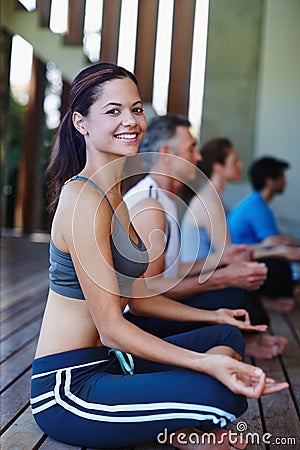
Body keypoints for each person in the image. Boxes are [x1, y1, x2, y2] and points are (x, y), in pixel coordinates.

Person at [30, 62, 288, 450]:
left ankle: (177, 423)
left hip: (112, 363)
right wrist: (205, 363)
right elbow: (111, 328)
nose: (130, 121)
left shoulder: (114, 192)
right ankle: (182, 428)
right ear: (81, 123)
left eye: (136, 109)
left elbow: (137, 295)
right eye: (113, 111)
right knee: (220, 397)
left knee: (225, 339)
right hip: (69, 388)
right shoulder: (85, 200)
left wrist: (211, 314)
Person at [123, 116, 286, 359]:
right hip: (140, 320)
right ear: (166, 154)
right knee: (235, 299)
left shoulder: (164, 198)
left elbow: (171, 269)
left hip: (155, 305)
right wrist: (220, 278)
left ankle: (242, 339)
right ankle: (242, 341)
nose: (198, 157)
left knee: (238, 296)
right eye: (191, 148)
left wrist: (222, 259)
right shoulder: (149, 206)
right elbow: (149, 292)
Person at [180, 139, 296, 313]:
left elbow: (227, 252)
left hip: (209, 274)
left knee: (272, 266)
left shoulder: (212, 198)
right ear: (218, 166)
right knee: (272, 268)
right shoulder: (208, 202)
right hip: (198, 283)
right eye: (234, 161)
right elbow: (230, 256)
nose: (241, 165)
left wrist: (266, 247)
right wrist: (276, 251)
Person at [227, 156, 300, 287]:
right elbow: (276, 244)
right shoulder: (258, 208)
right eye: (282, 177)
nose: (286, 182)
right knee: (280, 264)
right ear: (270, 181)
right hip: (239, 262)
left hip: (247, 257)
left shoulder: (254, 203)